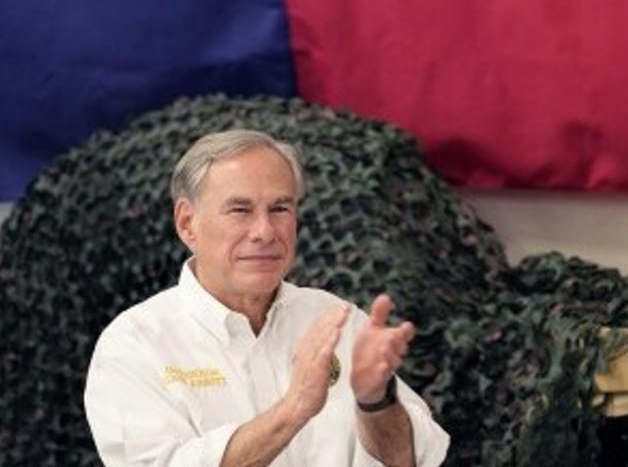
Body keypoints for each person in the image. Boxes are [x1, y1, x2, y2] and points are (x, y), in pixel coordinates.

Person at [84, 129, 450, 466]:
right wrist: (294, 410)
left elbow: (412, 461)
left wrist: (376, 400)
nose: (264, 231)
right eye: (240, 210)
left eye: (280, 208)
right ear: (186, 223)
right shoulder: (133, 344)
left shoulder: (334, 319)